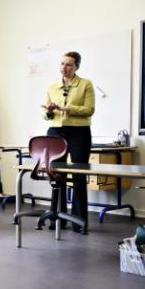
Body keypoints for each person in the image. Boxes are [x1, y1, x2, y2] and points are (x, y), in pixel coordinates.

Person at [40, 51, 95, 233]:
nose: (64, 67)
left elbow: (89, 110)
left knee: (79, 175)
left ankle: (78, 222)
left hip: (79, 132)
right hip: (56, 131)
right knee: (56, 175)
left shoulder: (85, 84)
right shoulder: (52, 86)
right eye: (62, 63)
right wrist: (49, 111)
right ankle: (57, 219)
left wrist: (67, 108)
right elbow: (45, 114)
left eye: (69, 64)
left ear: (76, 67)